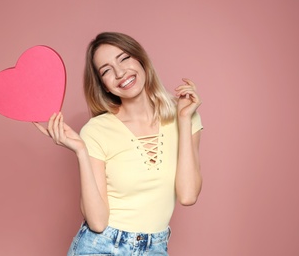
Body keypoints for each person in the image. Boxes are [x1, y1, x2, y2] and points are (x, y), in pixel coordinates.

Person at [34, 32, 203, 255]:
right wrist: (81, 151)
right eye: (106, 70)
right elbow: (97, 223)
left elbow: (188, 195)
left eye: (123, 58)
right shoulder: (96, 131)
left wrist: (183, 120)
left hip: (156, 247)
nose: (120, 72)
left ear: (141, 60)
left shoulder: (184, 114)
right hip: (101, 247)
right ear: (103, 85)